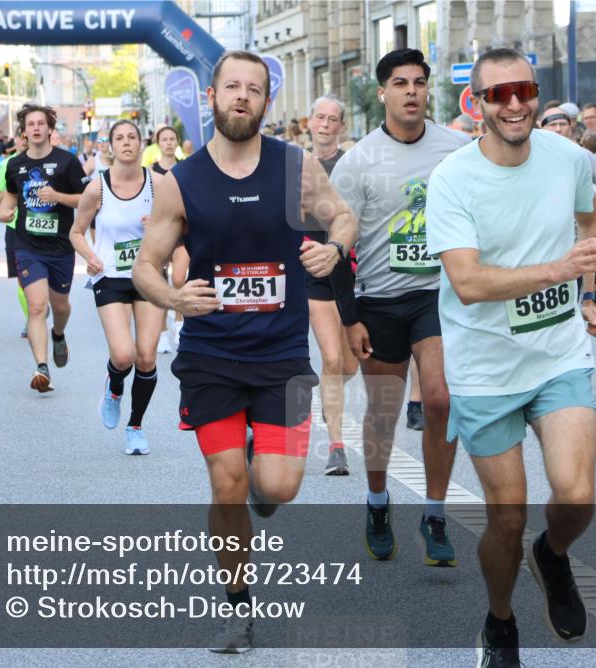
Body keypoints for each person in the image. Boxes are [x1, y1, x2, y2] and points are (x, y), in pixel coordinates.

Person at [132, 50, 356, 654]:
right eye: (231, 86)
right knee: (226, 481)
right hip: (210, 354)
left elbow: (342, 218)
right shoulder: (181, 182)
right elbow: (146, 266)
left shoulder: (294, 166)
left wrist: (333, 250)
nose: (241, 97)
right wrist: (174, 298)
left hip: (283, 355)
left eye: (253, 89)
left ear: (265, 101)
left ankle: (264, 473)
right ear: (212, 97)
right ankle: (237, 607)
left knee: (278, 489)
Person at [426, 48, 596, 666]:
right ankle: (500, 621)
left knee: (577, 495)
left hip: (558, 353)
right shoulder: (453, 178)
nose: (514, 104)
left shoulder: (567, 156)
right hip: (484, 368)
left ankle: (552, 555)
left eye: (524, 91)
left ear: (536, 93)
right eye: (498, 94)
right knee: (506, 519)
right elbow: (467, 282)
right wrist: (560, 269)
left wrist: (591, 293)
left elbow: (591, 219)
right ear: (476, 103)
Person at [330, 48, 470, 566]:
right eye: (400, 83)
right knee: (384, 412)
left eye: (419, 82)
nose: (411, 91)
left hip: (437, 295)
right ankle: (377, 502)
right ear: (382, 92)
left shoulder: (458, 149)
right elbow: (337, 249)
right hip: (380, 300)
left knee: (440, 400)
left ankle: (435, 514)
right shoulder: (357, 161)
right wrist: (350, 318)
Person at [70, 120, 161, 455]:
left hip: (149, 275)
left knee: (146, 357)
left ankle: (135, 427)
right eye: (119, 138)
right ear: (110, 146)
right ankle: (114, 387)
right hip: (110, 275)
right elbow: (76, 232)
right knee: (123, 355)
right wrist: (90, 257)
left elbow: (185, 226)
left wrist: (161, 226)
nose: (126, 143)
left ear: (141, 144)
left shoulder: (159, 185)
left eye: (131, 137)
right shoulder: (98, 187)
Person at [0, 104, 88, 393]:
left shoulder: (67, 162)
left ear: (50, 129)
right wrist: (3, 212)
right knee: (37, 306)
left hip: (60, 247)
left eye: (41, 123)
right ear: (24, 131)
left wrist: (58, 196)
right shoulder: (16, 165)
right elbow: (10, 197)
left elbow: (86, 199)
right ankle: (42, 367)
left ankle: (58, 333)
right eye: (30, 124)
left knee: (60, 306)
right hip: (28, 246)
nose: (36, 128)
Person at [303, 95, 359, 475]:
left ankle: (329, 392)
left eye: (332, 119)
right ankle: (336, 447)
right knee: (333, 359)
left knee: (350, 363)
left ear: (341, 125)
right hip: (313, 270)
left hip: (350, 269)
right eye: (319, 117)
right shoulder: (296, 167)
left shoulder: (351, 165)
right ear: (310, 122)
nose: (325, 124)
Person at [151, 125, 189, 354]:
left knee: (178, 278)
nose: (168, 143)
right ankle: (163, 333)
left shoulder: (187, 167)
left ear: (177, 142)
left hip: (182, 231)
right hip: (160, 232)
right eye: (164, 139)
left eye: (172, 139)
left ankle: (179, 322)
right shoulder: (150, 171)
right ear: (158, 143)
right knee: (160, 283)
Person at [0, 131, 32, 337]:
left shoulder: (49, 162)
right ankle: (31, 319)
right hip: (16, 228)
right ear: (16, 140)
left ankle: (40, 305)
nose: (25, 141)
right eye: (22, 137)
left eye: (28, 137)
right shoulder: (7, 165)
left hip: (46, 229)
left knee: (46, 281)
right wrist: (11, 192)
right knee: (23, 279)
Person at [540, 106, 596, 209]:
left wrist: (585, 211)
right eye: (553, 124)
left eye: (563, 124)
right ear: (542, 129)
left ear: (570, 129)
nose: (558, 129)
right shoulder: (530, 156)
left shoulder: (583, 155)